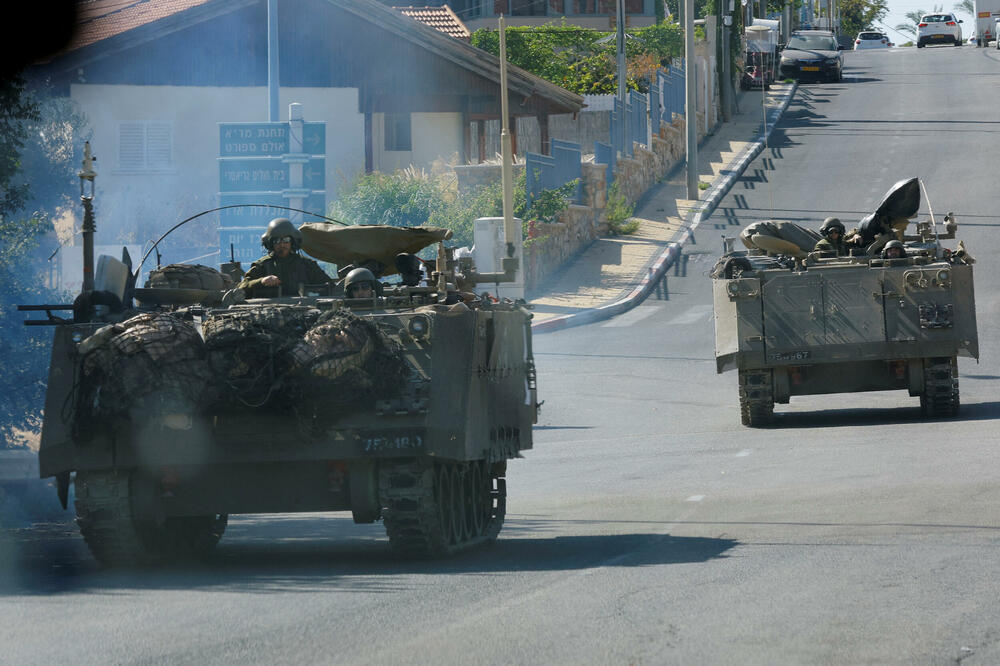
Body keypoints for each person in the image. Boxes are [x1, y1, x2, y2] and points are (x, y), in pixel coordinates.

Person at [237, 218, 334, 297]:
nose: (282, 244)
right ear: (271, 243)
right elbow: (241, 288)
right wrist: (261, 281)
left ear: (292, 242)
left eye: (286, 240)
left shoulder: (307, 265)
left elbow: (330, 287)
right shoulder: (262, 265)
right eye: (277, 241)